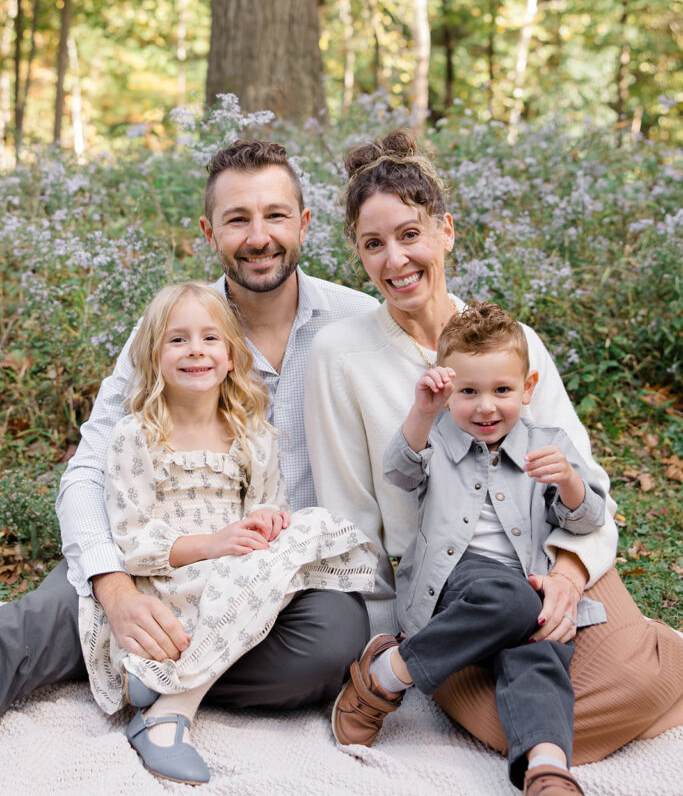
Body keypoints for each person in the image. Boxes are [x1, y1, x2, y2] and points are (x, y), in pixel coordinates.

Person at [304, 129, 683, 765]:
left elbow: (585, 482)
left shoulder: (513, 343)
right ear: (358, 254)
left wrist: (566, 576)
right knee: (517, 726)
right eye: (373, 244)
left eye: (410, 234)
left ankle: (640, 660)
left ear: (446, 231)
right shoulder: (339, 355)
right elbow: (352, 521)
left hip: (546, 551)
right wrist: (389, 638)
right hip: (451, 587)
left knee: (637, 685)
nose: (395, 260)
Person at [0, 140, 378, 718]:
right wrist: (114, 590)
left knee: (332, 644)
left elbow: (450, 363)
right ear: (209, 232)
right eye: (237, 219)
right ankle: (125, 641)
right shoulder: (169, 333)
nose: (258, 237)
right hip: (152, 559)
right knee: (28, 630)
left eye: (275, 215)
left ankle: (137, 667)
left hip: (269, 580)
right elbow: (89, 469)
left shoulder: (359, 323)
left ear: (303, 223)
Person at [80, 280, 375, 783]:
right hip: (174, 580)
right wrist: (213, 544)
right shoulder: (136, 434)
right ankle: (168, 715)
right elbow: (132, 542)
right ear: (153, 356)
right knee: (270, 572)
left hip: (237, 575)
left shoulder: (251, 431)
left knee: (309, 530)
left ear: (234, 356)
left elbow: (267, 504)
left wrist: (267, 520)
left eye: (210, 338)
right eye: (178, 339)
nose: (196, 349)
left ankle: (165, 689)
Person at [333, 301, 607, 796]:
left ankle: (546, 767)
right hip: (453, 577)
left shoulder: (548, 444)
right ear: (449, 393)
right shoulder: (437, 439)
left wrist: (568, 481)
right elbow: (398, 472)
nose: (485, 407)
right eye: (468, 392)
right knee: (515, 600)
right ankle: (387, 676)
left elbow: (587, 518)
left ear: (527, 388)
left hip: (524, 579)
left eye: (502, 390)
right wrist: (423, 411)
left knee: (540, 647)